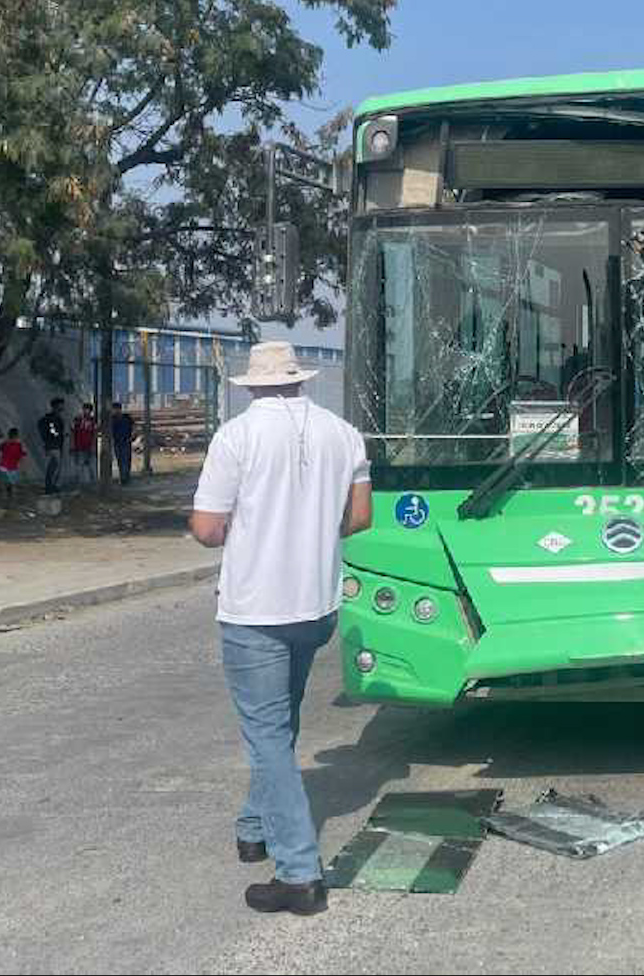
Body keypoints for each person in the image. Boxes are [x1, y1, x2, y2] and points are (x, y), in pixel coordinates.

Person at [189, 341, 371, 917]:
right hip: (315, 605)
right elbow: (360, 517)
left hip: (256, 609)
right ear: (300, 380)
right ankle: (253, 828)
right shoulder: (345, 434)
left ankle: (298, 873)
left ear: (253, 385)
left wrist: (249, 528)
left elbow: (207, 529)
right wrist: (309, 531)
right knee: (279, 722)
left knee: (266, 734)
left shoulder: (236, 437)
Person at [39, 397, 66, 494]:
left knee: (56, 466)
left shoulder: (57, 418)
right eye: (60, 406)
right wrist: (56, 435)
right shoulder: (51, 419)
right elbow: (52, 431)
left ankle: (52, 485)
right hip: (53, 445)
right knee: (54, 465)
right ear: (55, 406)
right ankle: (49, 486)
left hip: (57, 445)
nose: (62, 408)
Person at [109, 402, 135, 485]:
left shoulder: (126, 417)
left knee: (126, 460)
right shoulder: (112, 419)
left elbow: (134, 427)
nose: (115, 411)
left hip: (126, 441)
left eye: (116, 409)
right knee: (120, 460)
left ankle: (125, 478)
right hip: (117, 442)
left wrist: (132, 436)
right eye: (114, 409)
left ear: (119, 409)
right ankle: (123, 477)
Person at [71, 402, 97, 484]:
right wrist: (72, 445)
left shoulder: (93, 420)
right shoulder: (77, 420)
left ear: (91, 411)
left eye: (88, 409)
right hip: (79, 446)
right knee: (79, 466)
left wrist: (93, 445)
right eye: (85, 409)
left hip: (89, 446)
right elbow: (73, 432)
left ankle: (94, 482)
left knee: (92, 466)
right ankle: (79, 483)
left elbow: (95, 433)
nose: (86, 411)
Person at [0, 428, 27, 493]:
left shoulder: (5, 444)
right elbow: (22, 457)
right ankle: (9, 493)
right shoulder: (18, 445)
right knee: (11, 484)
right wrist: (23, 469)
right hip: (12, 468)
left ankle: (8, 493)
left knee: (7, 485)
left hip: (3, 467)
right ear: (17, 436)